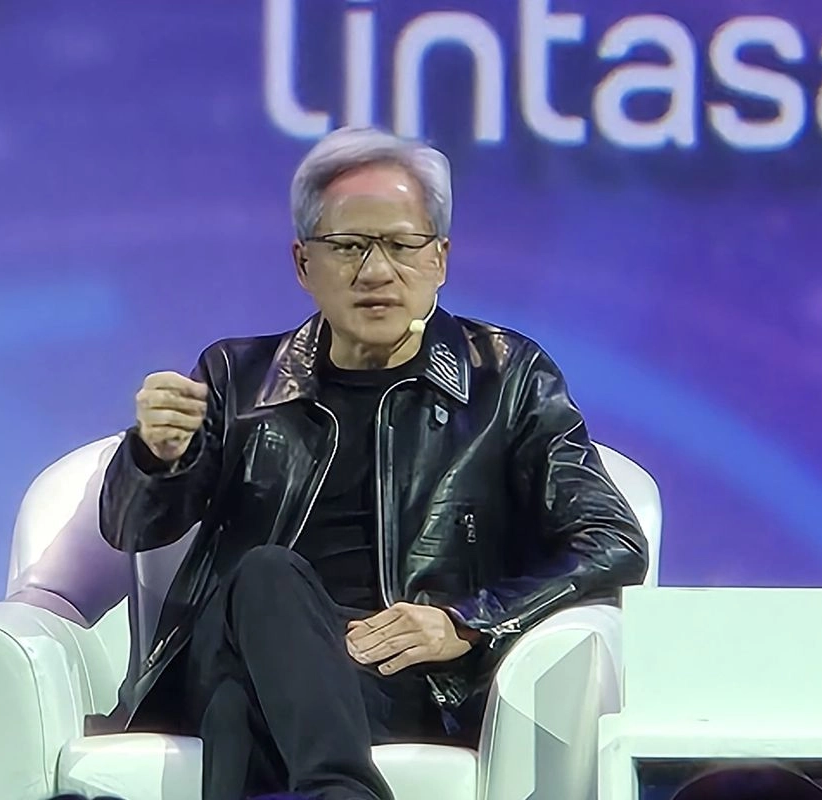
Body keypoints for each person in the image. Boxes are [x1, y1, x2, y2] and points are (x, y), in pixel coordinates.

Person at [98, 126, 648, 800]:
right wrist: (154, 456)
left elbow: (612, 542)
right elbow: (132, 529)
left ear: (440, 259)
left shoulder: (506, 378)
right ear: (303, 263)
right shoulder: (237, 376)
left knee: (240, 708)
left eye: (401, 245)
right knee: (266, 574)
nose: (376, 272)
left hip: (394, 675)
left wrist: (464, 620)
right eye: (348, 246)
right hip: (235, 639)